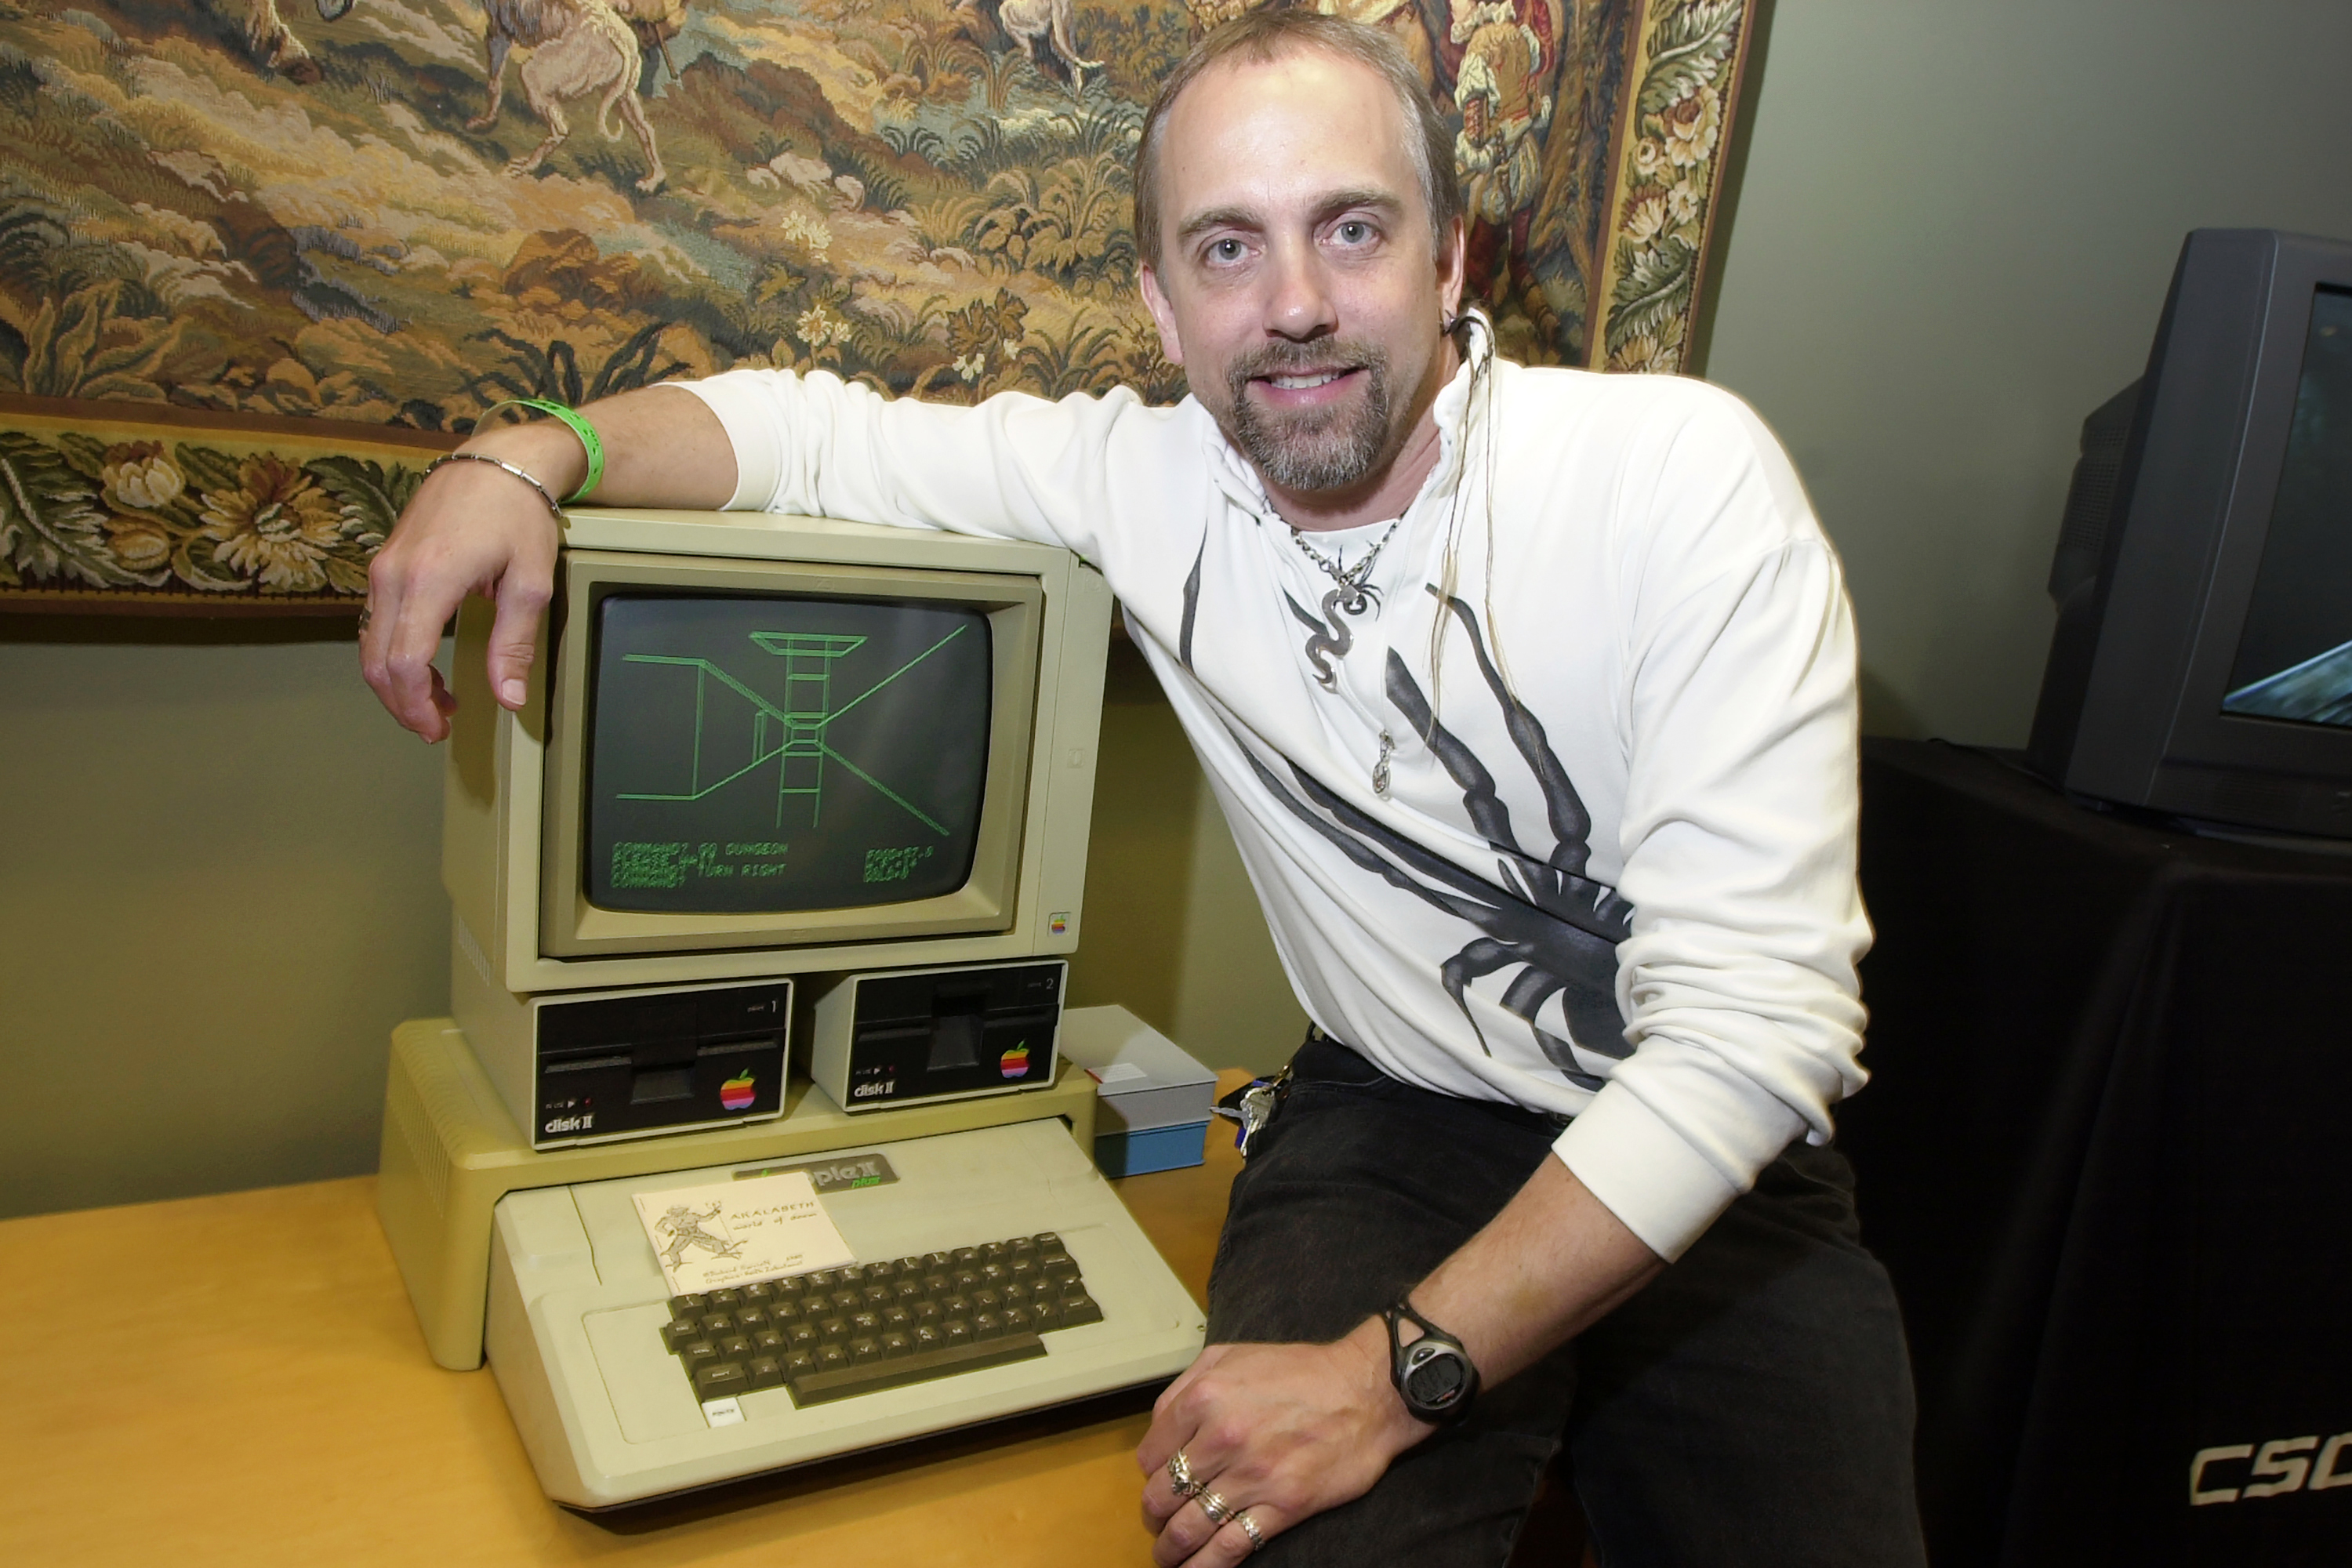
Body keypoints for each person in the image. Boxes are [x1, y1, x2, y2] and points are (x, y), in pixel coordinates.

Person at [362, 13, 1926, 1565]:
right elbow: (805, 437)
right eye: (1228, 248)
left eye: (1354, 230)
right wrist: (515, 459)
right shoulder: (1136, 478)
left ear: (1449, 259)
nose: (1295, 303)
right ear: (1163, 308)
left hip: (1706, 1147)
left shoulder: (1675, 477)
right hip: (1401, 1118)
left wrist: (1385, 1379)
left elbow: (1750, 1034)